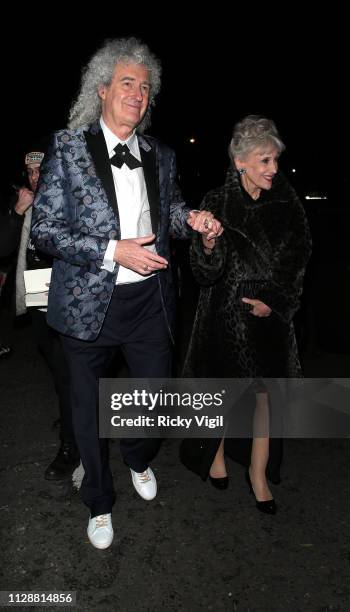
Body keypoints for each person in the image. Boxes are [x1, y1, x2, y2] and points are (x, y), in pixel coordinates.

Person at [31, 37, 222, 549]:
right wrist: (111, 250)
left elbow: (172, 212)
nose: (137, 94)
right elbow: (44, 229)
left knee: (155, 399)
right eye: (127, 84)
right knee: (88, 413)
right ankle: (97, 499)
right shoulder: (69, 148)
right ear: (103, 90)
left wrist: (194, 220)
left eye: (145, 87)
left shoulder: (161, 155)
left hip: (149, 302)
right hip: (88, 302)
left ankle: (137, 455)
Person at [181, 115, 312, 514]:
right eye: (265, 161)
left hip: (268, 319)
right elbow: (204, 271)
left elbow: (298, 255)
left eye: (275, 160)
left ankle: (257, 474)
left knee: (263, 400)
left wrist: (274, 300)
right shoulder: (216, 201)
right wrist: (207, 245)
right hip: (224, 316)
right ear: (241, 162)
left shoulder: (287, 201)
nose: (274, 169)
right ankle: (216, 452)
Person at [10, 151, 79, 480]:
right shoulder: (26, 203)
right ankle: (72, 416)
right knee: (54, 363)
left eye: (41, 170)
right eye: (30, 172)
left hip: (67, 294)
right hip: (38, 290)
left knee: (68, 371)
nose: (35, 177)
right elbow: (5, 247)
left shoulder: (69, 199)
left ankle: (72, 445)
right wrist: (16, 214)